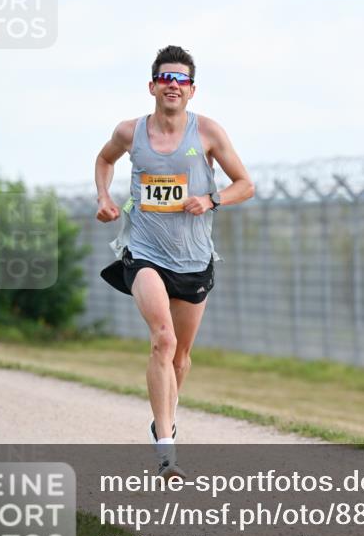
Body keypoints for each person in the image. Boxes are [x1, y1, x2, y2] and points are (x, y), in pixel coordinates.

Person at [94, 45, 255, 478]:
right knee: (162, 340)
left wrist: (212, 198)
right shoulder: (131, 132)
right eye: (166, 78)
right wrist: (105, 198)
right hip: (145, 254)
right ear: (152, 86)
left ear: (192, 90)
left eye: (181, 80)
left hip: (194, 260)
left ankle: (163, 416)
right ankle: (166, 449)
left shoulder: (208, 134)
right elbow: (104, 160)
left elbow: (245, 184)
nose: (173, 85)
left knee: (180, 357)